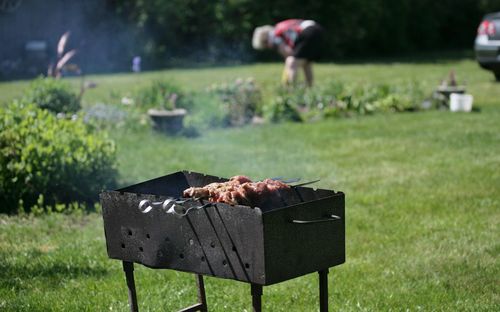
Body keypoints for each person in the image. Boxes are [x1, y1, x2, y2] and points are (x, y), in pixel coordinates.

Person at [252, 19, 324, 87]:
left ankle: (291, 90)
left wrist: (285, 78)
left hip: (308, 31)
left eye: (265, 45)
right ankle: (310, 87)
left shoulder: (274, 35)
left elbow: (288, 53)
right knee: (306, 62)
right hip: (317, 29)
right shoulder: (279, 28)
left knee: (291, 62)